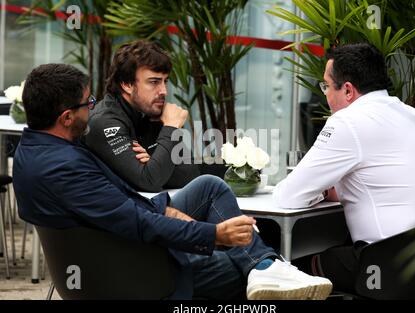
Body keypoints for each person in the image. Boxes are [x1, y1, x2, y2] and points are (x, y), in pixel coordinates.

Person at [13, 63, 333, 300]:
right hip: (137, 271)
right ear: (66, 117)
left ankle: (264, 265)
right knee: (249, 270)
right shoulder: (66, 167)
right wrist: (212, 233)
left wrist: (167, 209)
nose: (93, 108)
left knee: (209, 187)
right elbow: (138, 220)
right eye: (88, 103)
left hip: (117, 248)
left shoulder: (36, 149)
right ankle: (264, 267)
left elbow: (136, 198)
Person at [273, 43, 415, 293]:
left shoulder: (348, 121)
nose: (324, 94)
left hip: (389, 266)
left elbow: (287, 197)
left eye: (326, 86)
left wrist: (322, 191)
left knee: (285, 267)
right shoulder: (408, 113)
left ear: (347, 90)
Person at [84, 40, 200, 192]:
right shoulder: (104, 121)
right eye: (154, 82)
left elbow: (191, 173)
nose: (164, 91)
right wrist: (171, 128)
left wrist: (154, 163)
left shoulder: (153, 113)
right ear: (127, 84)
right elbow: (149, 181)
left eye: (165, 81)